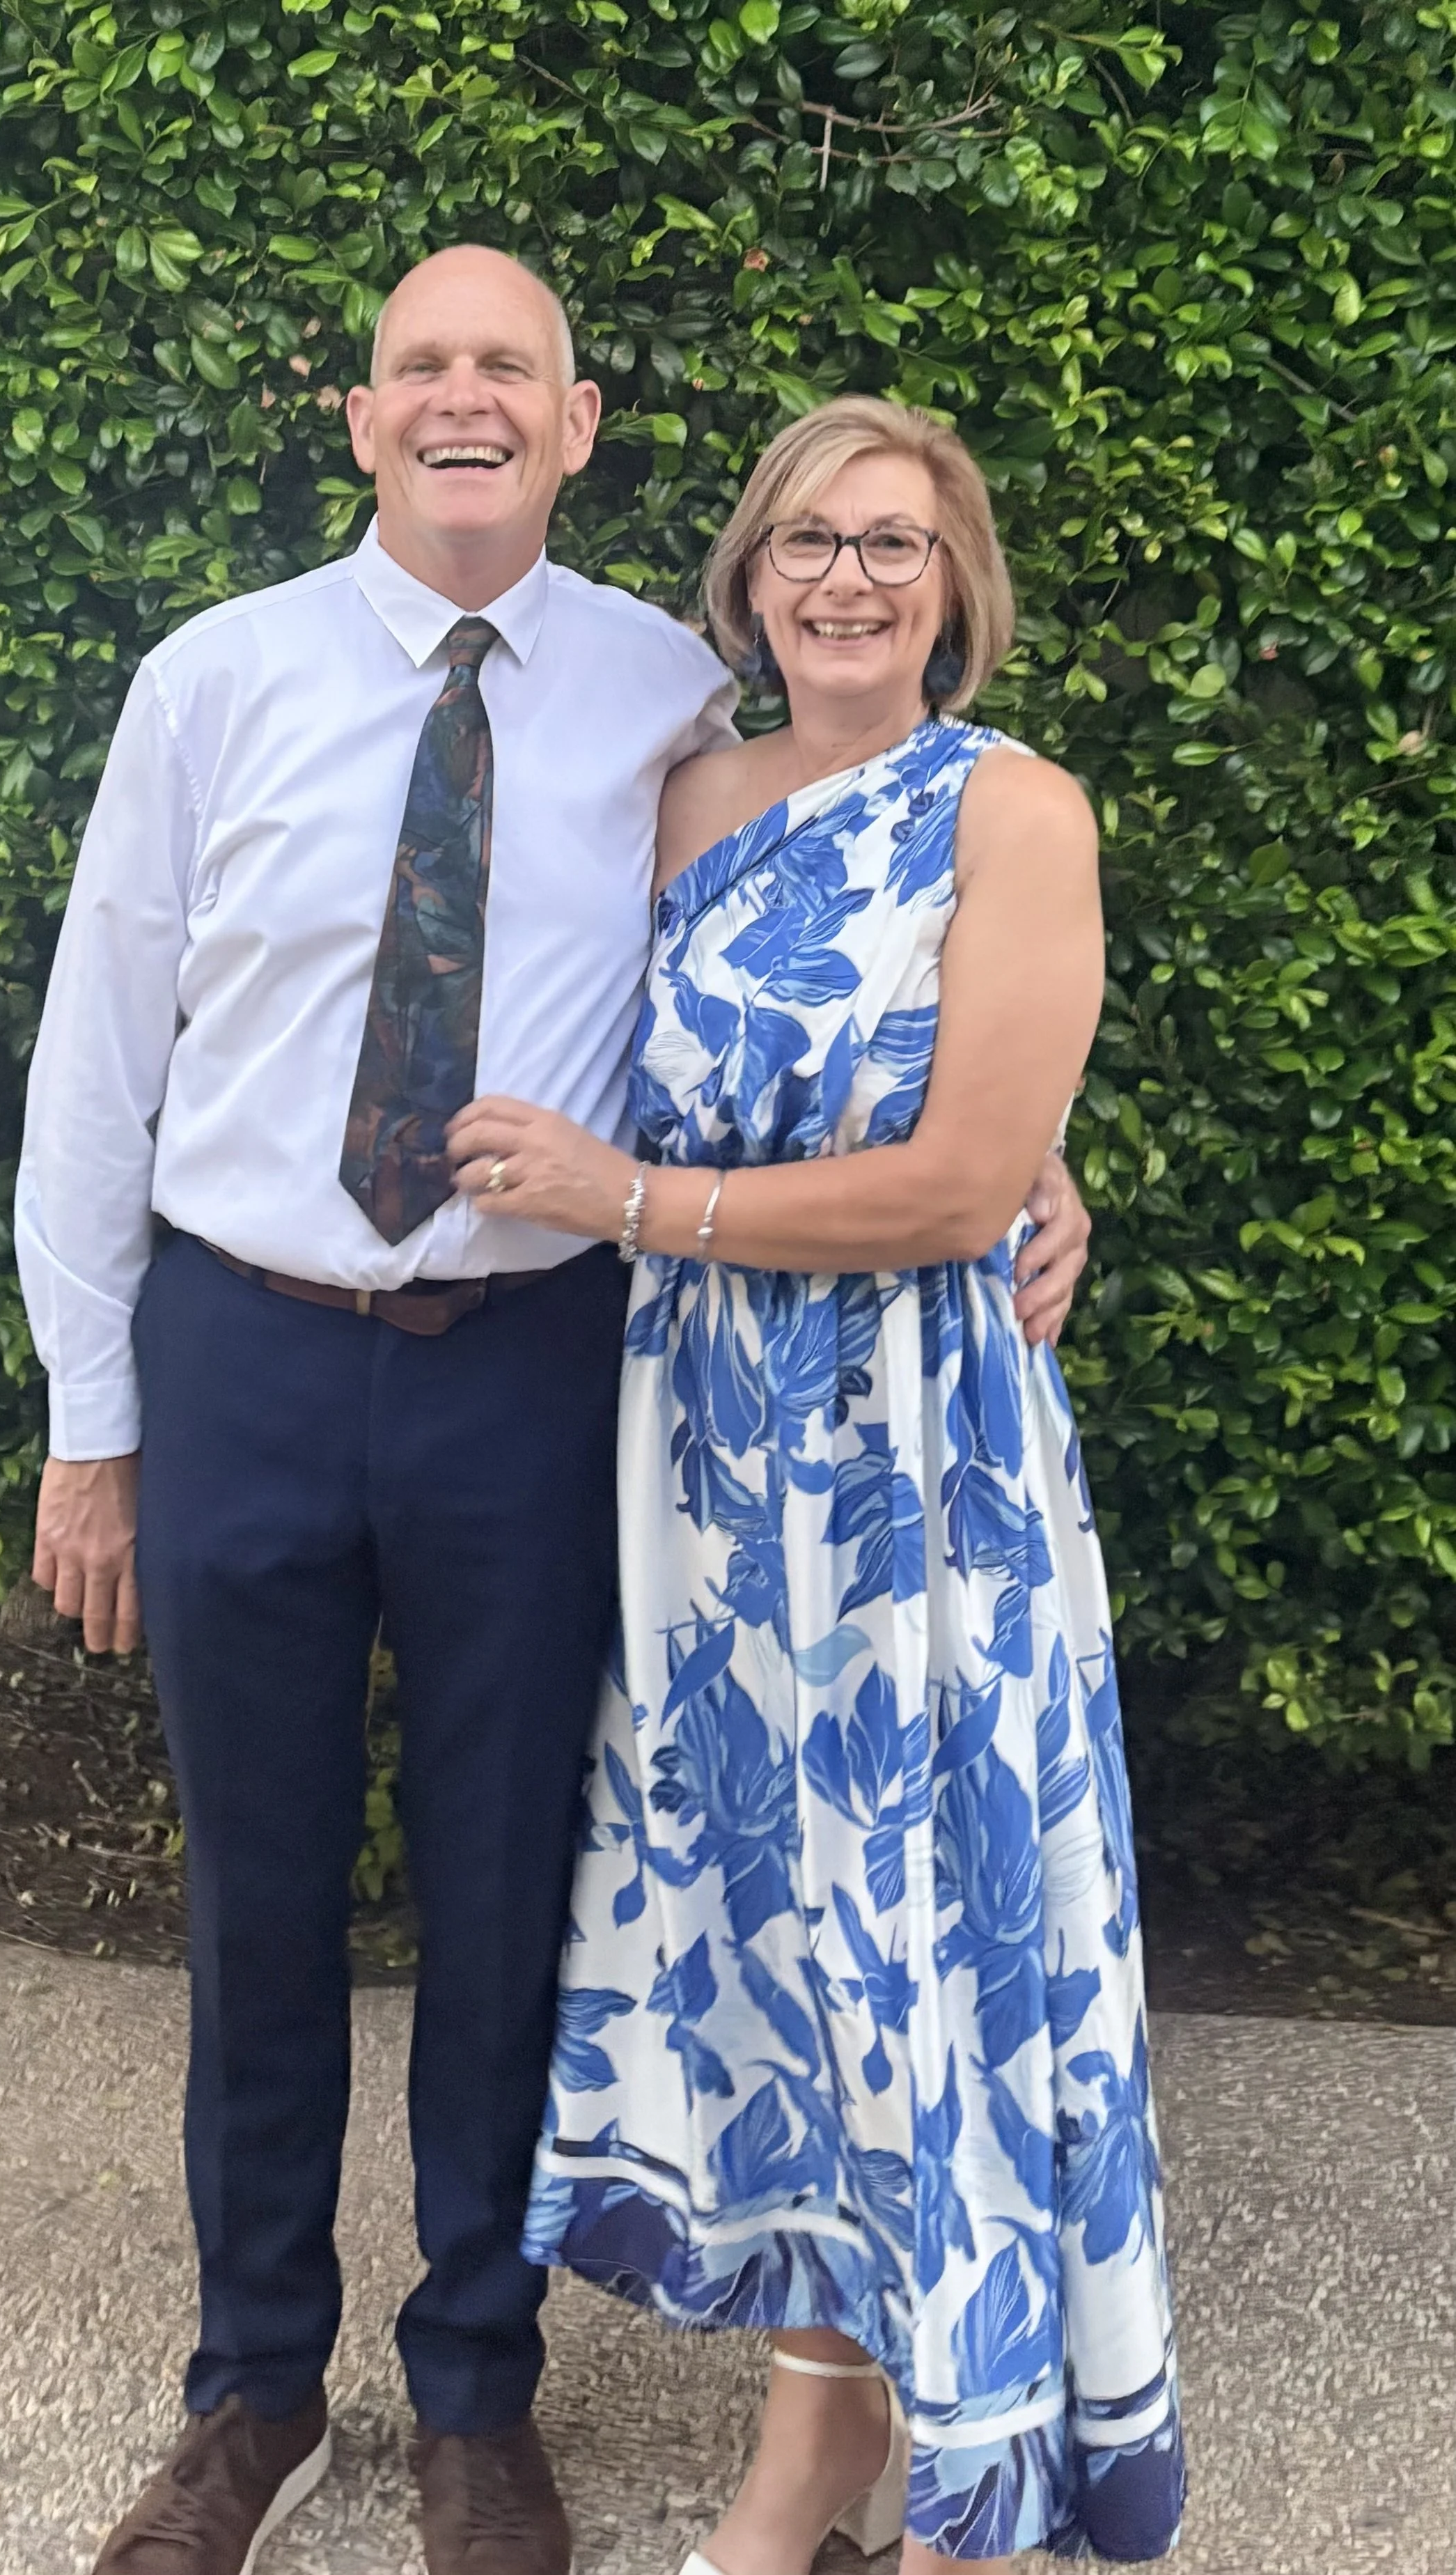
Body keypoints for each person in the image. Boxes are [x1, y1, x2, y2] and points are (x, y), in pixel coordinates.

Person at [15, 247, 1093, 2575]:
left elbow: (846, 933)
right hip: (249, 1347)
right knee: (259, 1894)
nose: (465, 401)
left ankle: (476, 2388)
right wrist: (89, 1426)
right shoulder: (211, 682)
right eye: (425, 369)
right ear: (362, 419)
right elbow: (95, 1071)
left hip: (537, 1367)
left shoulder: (667, 705)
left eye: (507, 367)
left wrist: (1035, 1158)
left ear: (579, 423)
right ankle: (248, 2387)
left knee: (519, 1891)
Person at [448, 395, 1185, 2574]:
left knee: (925, 1943)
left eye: (891, 542)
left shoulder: (1010, 810)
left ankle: (960, 2470)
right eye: (804, 541)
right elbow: (566, 1025)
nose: (845, 579)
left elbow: (963, 1180)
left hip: (910, 1472)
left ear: (953, 583)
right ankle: (814, 2443)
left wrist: (635, 1200)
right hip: (702, 1480)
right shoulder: (685, 800)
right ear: (746, 579)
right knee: (778, 1948)